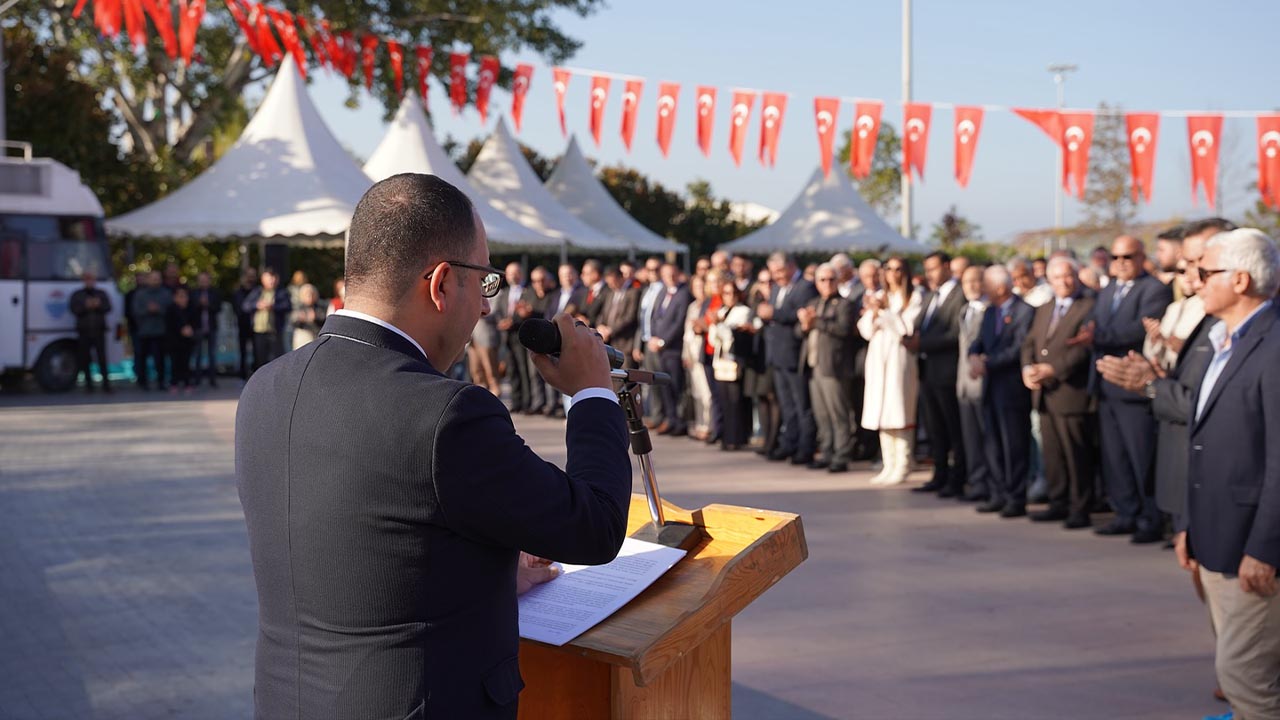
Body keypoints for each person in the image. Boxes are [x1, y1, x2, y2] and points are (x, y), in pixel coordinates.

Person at [237, 174, 630, 719]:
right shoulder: (446, 413)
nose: (486, 309)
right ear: (442, 283)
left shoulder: (267, 386)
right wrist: (591, 392)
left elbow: (357, 552)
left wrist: (484, 579)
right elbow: (596, 525)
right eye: (484, 283)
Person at [1177, 228, 1280, 720]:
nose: (1194, 282)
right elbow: (1203, 441)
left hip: (1252, 551)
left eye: (1204, 272)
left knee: (1247, 678)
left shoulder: (1274, 345)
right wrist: (1188, 523)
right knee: (1238, 680)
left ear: (1240, 280)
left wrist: (1265, 547)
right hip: (1216, 537)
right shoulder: (1225, 340)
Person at [1087, 235, 1173, 544]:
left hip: (1135, 387)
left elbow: (1137, 329)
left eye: (1128, 257)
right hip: (1107, 384)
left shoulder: (1155, 289)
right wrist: (1094, 335)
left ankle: (1150, 518)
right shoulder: (1109, 288)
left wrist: (1096, 338)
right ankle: (1125, 513)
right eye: (1116, 257)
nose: (1121, 263)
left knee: (1141, 455)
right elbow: (1095, 323)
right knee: (1115, 455)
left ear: (1141, 257)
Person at [1020, 257, 1096, 528]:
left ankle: (1080, 506)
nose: (1063, 282)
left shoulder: (1088, 307)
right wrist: (1028, 368)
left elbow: (1084, 349)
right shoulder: (1044, 308)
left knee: (1076, 454)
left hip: (1071, 392)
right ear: (1048, 281)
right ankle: (1058, 501)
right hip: (1044, 394)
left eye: (1068, 276)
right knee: (1051, 453)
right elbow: (1029, 342)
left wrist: (1054, 369)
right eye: (1057, 278)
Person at [968, 265, 1035, 516]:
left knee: (1013, 444)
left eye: (986, 284)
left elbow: (1020, 348)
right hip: (990, 386)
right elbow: (978, 340)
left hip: (1012, 388)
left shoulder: (1024, 311)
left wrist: (987, 362)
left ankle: (1016, 497)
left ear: (1001, 287)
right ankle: (997, 493)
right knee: (993, 443)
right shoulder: (989, 311)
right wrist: (974, 354)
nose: (982, 288)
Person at [858, 256, 922, 485]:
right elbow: (865, 330)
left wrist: (884, 313)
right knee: (881, 411)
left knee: (899, 409)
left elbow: (906, 328)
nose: (893, 273)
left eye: (898, 269)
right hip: (878, 358)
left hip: (899, 358)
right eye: (889, 269)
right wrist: (874, 313)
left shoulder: (913, 297)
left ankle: (903, 463)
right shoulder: (879, 295)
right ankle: (889, 462)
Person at [911, 251, 967, 497]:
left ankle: (957, 479)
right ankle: (939, 474)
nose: (929, 274)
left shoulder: (959, 294)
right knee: (935, 428)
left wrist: (922, 343)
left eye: (933, 268)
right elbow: (921, 325)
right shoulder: (931, 295)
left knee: (952, 428)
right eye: (927, 269)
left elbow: (956, 333)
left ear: (947, 266)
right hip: (927, 371)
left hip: (947, 371)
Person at [758, 252, 819, 465]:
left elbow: (799, 314)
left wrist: (773, 313)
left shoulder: (805, 286)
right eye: (773, 272)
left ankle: (805, 447)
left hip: (794, 353)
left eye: (780, 271)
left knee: (802, 404)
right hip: (777, 354)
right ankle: (789, 443)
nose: (776, 276)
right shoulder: (776, 287)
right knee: (786, 404)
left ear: (792, 266)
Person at [798, 263, 857, 473]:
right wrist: (805, 324)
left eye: (831, 279)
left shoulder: (844, 304)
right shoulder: (814, 302)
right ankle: (827, 451)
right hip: (814, 364)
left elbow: (843, 329)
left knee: (838, 412)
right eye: (822, 280)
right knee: (821, 414)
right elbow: (801, 331)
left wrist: (816, 322)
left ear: (838, 281)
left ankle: (841, 454)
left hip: (834, 366)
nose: (827, 283)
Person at [955, 265, 993, 501]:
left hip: (985, 385)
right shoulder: (964, 310)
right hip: (964, 385)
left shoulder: (991, 311)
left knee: (986, 436)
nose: (970, 286)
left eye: (975, 280)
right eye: (965, 281)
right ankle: (977, 481)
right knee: (970, 437)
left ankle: (990, 483)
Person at [711, 281, 754, 451]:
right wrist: (716, 324)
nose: (730, 297)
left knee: (735, 400)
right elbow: (714, 338)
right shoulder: (721, 311)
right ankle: (726, 435)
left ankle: (737, 437)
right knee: (724, 399)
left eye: (732, 293)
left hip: (734, 361)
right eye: (726, 293)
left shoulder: (743, 311)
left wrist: (719, 324)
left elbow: (730, 336)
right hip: (721, 360)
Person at [650, 263, 692, 437]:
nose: (670, 278)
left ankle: (679, 421)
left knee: (675, 385)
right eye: (666, 275)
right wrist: (653, 337)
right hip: (659, 348)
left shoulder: (683, 294)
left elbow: (679, 322)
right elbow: (654, 317)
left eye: (673, 274)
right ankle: (671, 418)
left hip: (672, 348)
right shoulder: (662, 292)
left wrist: (663, 341)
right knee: (665, 386)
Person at [492, 263, 532, 413]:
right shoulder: (504, 293)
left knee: (523, 369)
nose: (512, 276)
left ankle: (527, 402)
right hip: (507, 337)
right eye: (509, 274)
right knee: (512, 369)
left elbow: (528, 311)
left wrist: (513, 321)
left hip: (521, 335)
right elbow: (499, 312)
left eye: (515, 273)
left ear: (521, 274)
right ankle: (516, 401)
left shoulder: (527, 291)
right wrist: (501, 322)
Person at [70, 269, 113, 393]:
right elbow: (74, 309)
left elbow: (108, 307)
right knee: (85, 358)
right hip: (84, 331)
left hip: (99, 331)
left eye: (91, 279)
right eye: (87, 279)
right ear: (84, 281)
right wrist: (85, 306)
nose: (89, 281)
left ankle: (106, 384)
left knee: (102, 358)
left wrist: (98, 305)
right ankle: (89, 385)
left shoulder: (101, 293)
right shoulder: (77, 294)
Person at [682, 274, 714, 440]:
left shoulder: (708, 305)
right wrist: (685, 354)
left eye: (701, 286)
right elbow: (686, 334)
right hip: (691, 353)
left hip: (702, 351)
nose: (699, 290)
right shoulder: (692, 306)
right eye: (695, 287)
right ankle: (700, 423)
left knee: (706, 392)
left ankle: (709, 425)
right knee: (696, 392)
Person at [243, 269, 292, 371]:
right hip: (259, 331)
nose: (271, 281)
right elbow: (245, 306)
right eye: (269, 279)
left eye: (273, 278)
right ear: (263, 280)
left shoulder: (281, 293)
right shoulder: (257, 292)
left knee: (277, 359)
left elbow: (287, 306)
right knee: (260, 359)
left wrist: (273, 306)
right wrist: (257, 305)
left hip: (275, 331)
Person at [132, 271, 172, 390]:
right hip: (144, 332)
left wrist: (158, 310)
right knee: (142, 357)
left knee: (160, 358)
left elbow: (171, 311)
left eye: (157, 278)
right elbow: (135, 312)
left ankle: (161, 381)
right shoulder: (140, 294)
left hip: (160, 331)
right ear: (148, 280)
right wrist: (148, 310)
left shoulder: (166, 293)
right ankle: (142, 382)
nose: (155, 281)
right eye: (153, 278)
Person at [596, 265, 640, 369]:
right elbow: (603, 313)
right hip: (610, 344)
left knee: (625, 376)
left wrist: (611, 330)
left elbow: (630, 317)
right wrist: (600, 327)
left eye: (613, 282)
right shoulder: (610, 294)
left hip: (625, 344)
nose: (611, 285)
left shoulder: (633, 293)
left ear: (621, 278)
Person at [190, 272, 222, 388]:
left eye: (205, 280)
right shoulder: (194, 293)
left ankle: (212, 379)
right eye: (201, 280)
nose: (203, 282)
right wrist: (200, 304)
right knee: (198, 354)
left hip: (211, 327)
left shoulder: (215, 293)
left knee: (212, 354)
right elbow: (191, 309)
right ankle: (197, 379)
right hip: (198, 327)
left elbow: (218, 308)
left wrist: (208, 304)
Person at [166, 287, 197, 394]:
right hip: (174, 341)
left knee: (186, 363)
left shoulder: (191, 308)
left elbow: (195, 323)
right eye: (180, 296)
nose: (183, 299)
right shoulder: (170, 309)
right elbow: (169, 325)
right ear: (175, 298)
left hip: (187, 341)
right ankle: (174, 383)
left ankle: (187, 383)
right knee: (175, 363)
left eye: (184, 296)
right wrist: (181, 329)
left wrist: (190, 329)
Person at [233, 268, 260, 379]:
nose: (250, 278)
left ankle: (256, 375)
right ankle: (243, 375)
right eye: (248, 275)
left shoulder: (258, 291)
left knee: (257, 352)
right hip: (243, 325)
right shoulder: (238, 292)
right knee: (243, 352)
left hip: (257, 327)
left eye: (253, 275)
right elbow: (238, 309)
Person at [290, 284, 325, 350]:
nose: (310, 297)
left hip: (316, 335)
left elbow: (323, 319)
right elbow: (292, 322)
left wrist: (315, 318)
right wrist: (300, 320)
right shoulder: (298, 307)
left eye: (312, 294)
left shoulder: (319, 307)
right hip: (303, 336)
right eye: (307, 294)